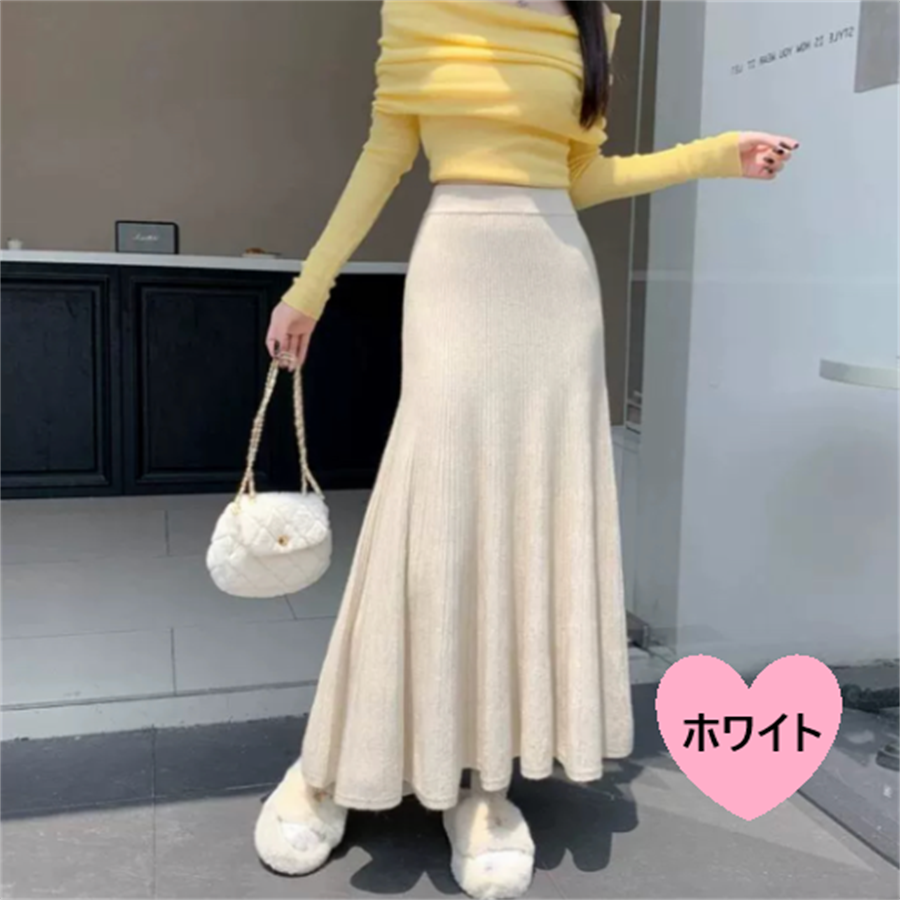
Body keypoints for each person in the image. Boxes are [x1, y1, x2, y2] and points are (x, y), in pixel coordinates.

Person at [255, 1, 798, 898]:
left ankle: (484, 784)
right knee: (429, 523)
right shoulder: (419, 10)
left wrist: (715, 156)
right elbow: (384, 155)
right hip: (456, 274)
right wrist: (310, 287)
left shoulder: (589, 20)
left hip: (555, 290)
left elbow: (579, 176)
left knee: (527, 527)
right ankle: (332, 764)